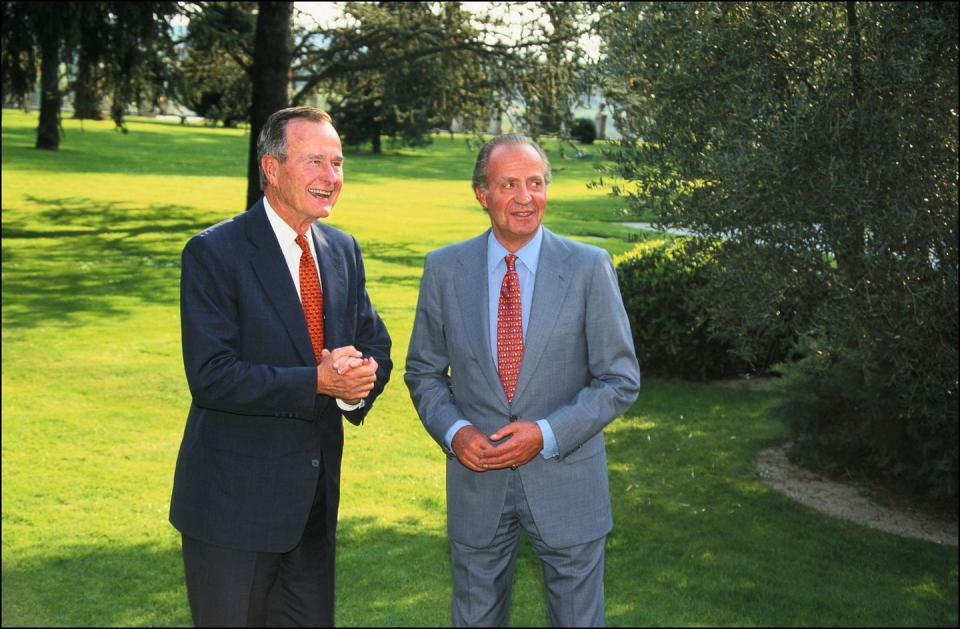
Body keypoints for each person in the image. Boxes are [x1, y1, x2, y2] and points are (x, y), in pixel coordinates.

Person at [405, 134, 641, 627]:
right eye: (508, 184)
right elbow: (424, 372)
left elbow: (619, 379)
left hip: (568, 482)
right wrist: (455, 432)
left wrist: (545, 434)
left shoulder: (588, 267)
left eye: (535, 183)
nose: (524, 197)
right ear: (481, 194)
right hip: (477, 484)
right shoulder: (445, 269)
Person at [169, 106, 392, 627]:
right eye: (315, 161)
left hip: (313, 513)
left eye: (337, 163)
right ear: (271, 168)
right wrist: (318, 380)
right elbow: (212, 375)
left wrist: (356, 386)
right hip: (232, 514)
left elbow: (373, 345)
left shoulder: (341, 250)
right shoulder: (214, 252)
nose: (331, 177)